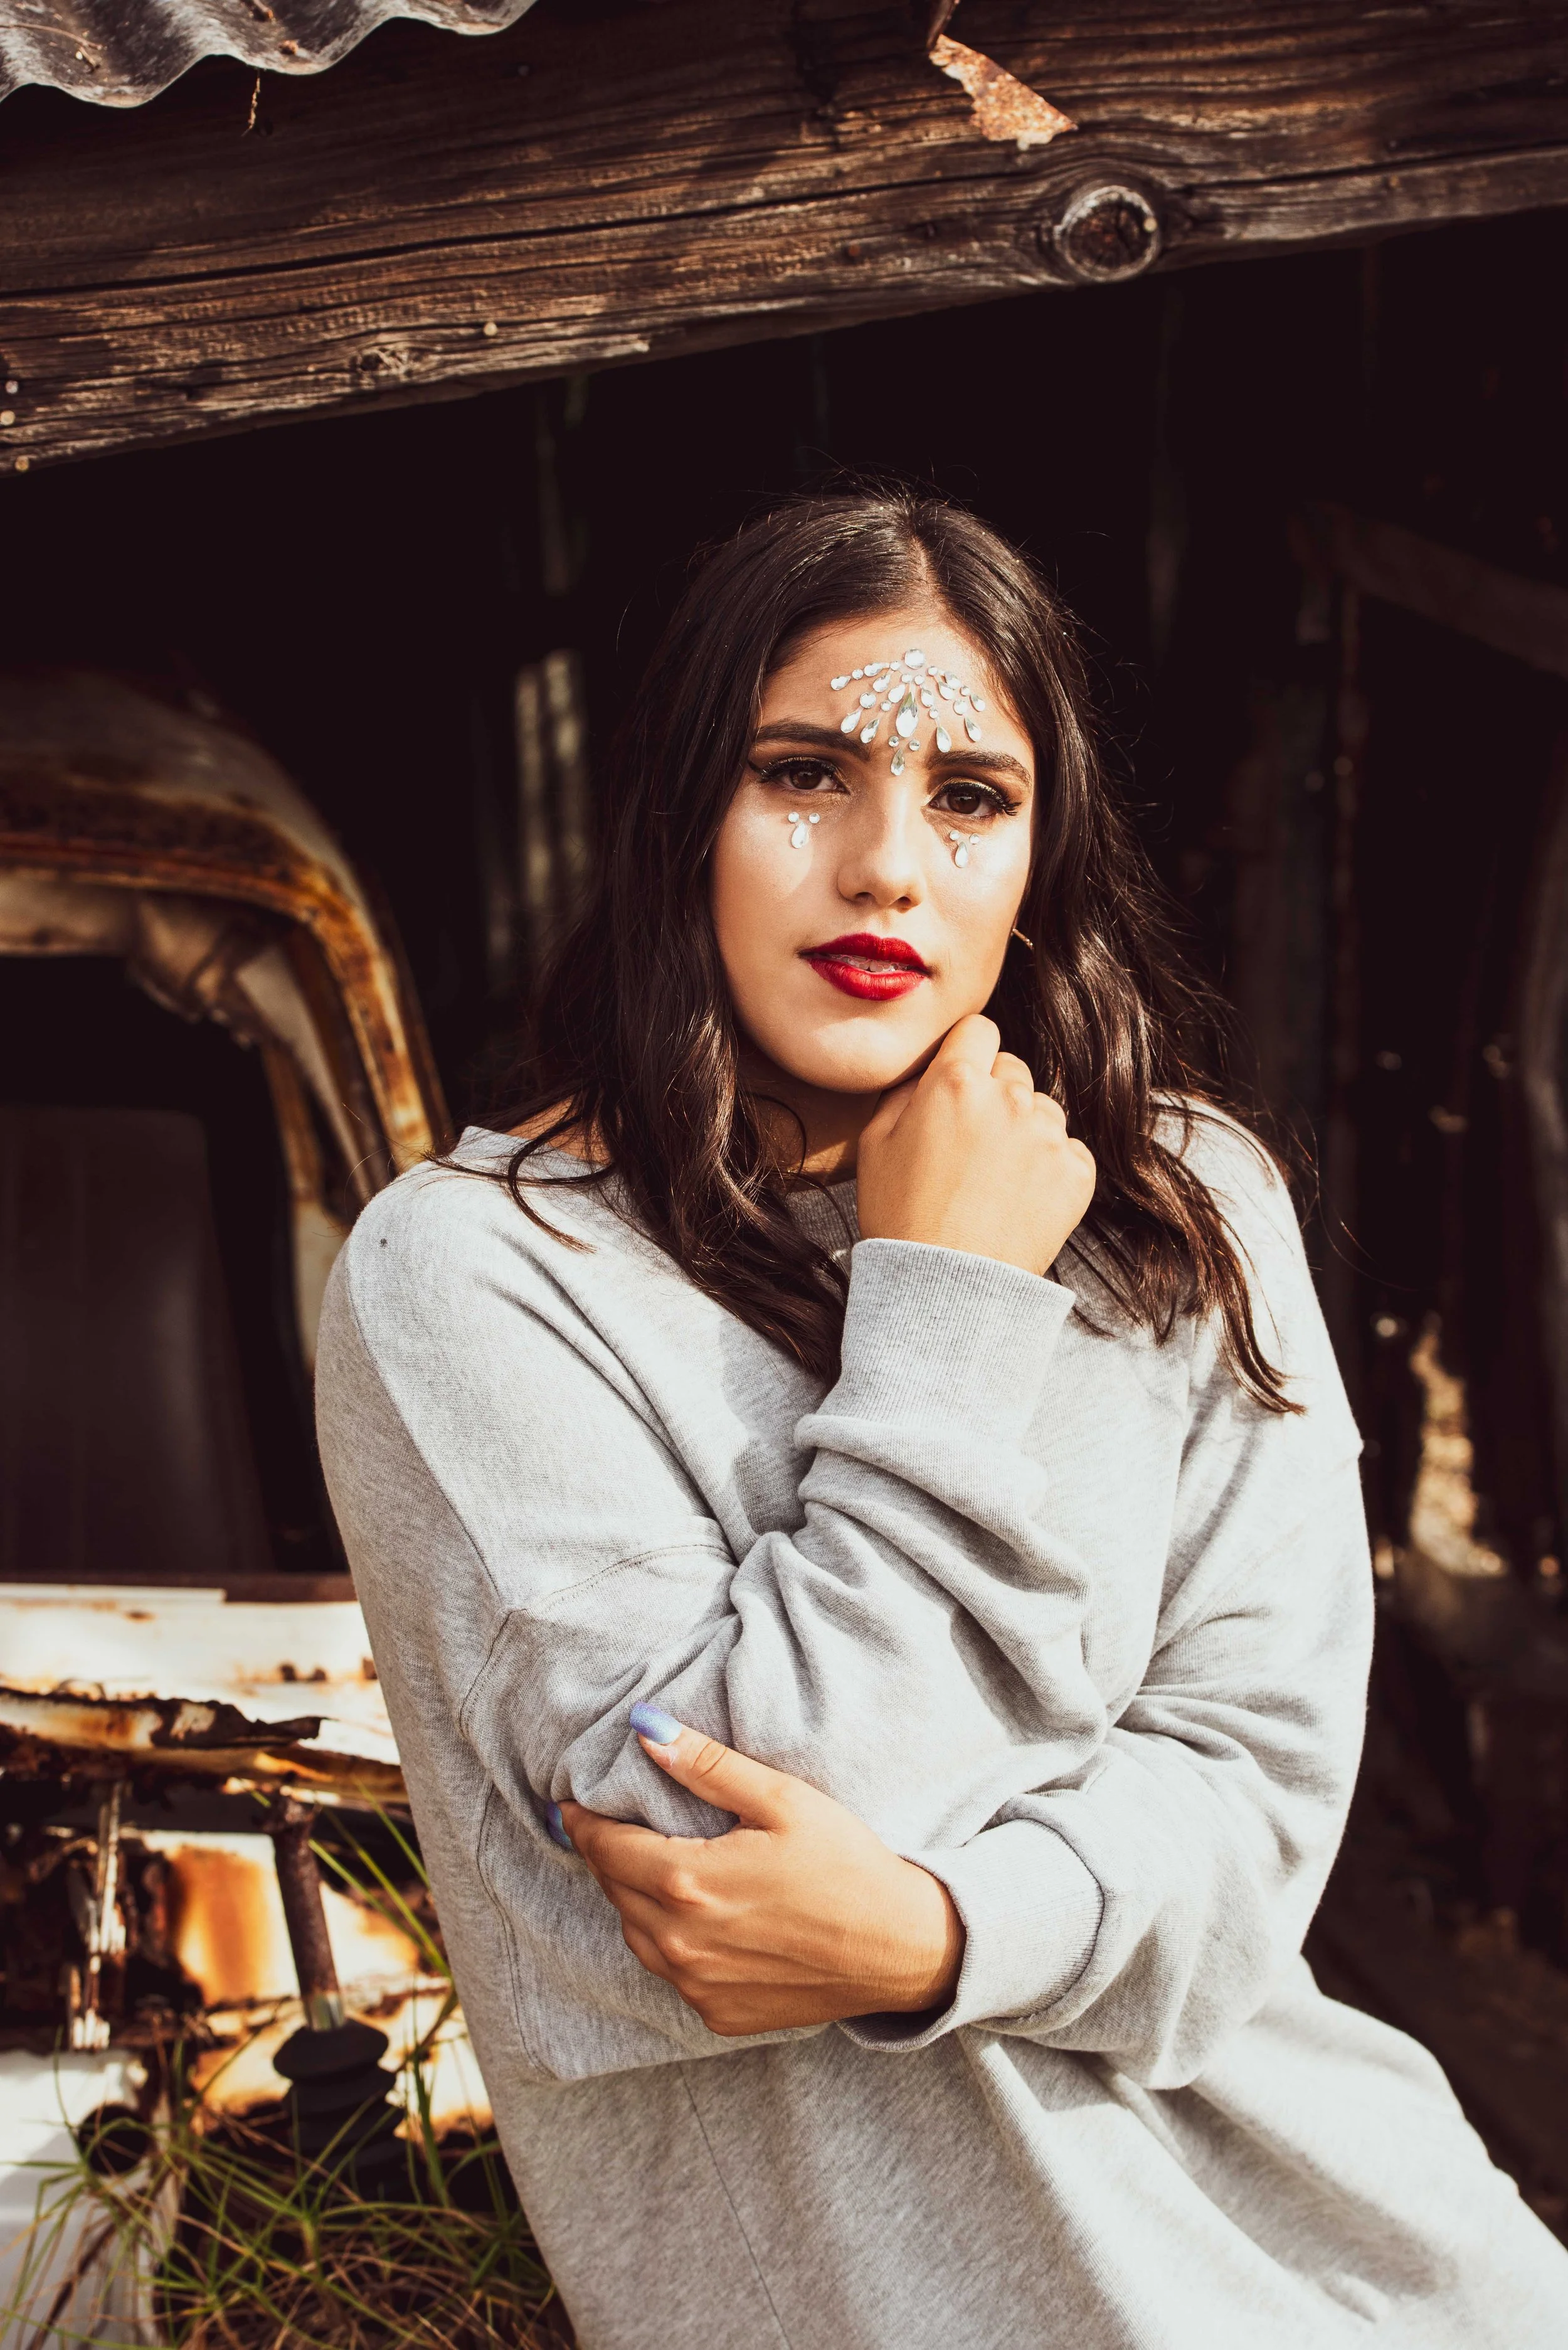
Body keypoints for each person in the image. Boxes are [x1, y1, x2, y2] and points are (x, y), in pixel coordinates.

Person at [315, 491, 1568, 2349]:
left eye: (970, 796)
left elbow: (1255, 1809)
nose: (888, 866)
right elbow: (691, 1874)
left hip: (1372, 2289)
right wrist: (951, 1305)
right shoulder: (475, 1280)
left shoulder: (1188, 1210)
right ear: (676, 821)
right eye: (804, 773)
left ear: (1039, 854)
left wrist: (933, 1942)